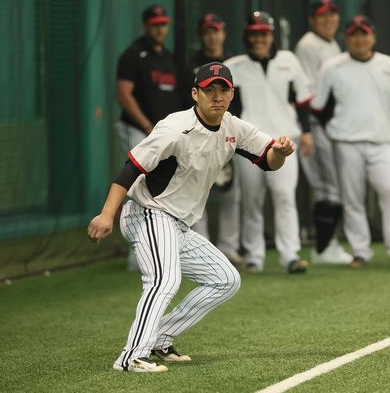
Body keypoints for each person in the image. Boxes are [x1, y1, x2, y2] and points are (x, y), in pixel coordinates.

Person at [87, 62, 297, 373]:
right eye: (209, 90)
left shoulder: (233, 128)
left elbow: (268, 160)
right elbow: (131, 168)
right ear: (195, 94)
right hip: (148, 211)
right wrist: (106, 215)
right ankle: (131, 356)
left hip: (178, 223)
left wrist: (280, 151)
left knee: (225, 280)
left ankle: (159, 337)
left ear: (231, 94)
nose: (217, 97)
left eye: (223, 90)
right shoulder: (175, 128)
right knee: (164, 279)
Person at [310, 15, 390, 268]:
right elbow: (318, 106)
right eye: (354, 34)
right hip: (346, 142)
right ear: (346, 38)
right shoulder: (332, 66)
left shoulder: (389, 66)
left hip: (382, 142)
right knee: (352, 198)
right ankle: (360, 251)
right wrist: (335, 129)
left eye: (364, 34)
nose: (360, 39)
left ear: (373, 37)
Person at [224, 11, 313, 273]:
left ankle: (290, 255)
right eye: (254, 34)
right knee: (252, 200)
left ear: (271, 35)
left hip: (284, 140)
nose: (259, 38)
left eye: (263, 33)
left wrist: (306, 132)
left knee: (285, 197)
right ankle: (254, 255)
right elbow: (230, 107)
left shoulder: (289, 61)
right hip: (249, 141)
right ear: (247, 36)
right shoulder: (234, 66)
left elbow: (302, 100)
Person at [115, 4, 180, 270]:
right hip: (137, 129)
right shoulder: (133, 55)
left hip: (162, 133)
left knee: (159, 186)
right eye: (155, 24)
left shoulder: (169, 57)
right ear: (145, 25)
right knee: (138, 185)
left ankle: (159, 247)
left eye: (163, 23)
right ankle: (137, 255)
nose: (160, 28)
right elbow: (123, 94)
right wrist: (146, 126)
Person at [294, 0, 353, 265]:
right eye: (322, 15)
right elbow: (307, 92)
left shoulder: (332, 45)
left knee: (332, 187)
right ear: (312, 19)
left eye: (332, 14)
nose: (329, 20)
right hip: (317, 124)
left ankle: (328, 244)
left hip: (330, 123)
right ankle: (324, 247)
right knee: (327, 187)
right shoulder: (308, 45)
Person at [183, 13, 243, 267]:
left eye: (216, 30)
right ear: (201, 35)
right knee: (199, 192)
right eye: (207, 31)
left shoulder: (236, 62)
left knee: (232, 193)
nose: (212, 36)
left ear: (223, 32)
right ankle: (202, 248)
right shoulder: (190, 64)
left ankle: (229, 247)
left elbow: (239, 101)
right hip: (198, 134)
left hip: (228, 132)